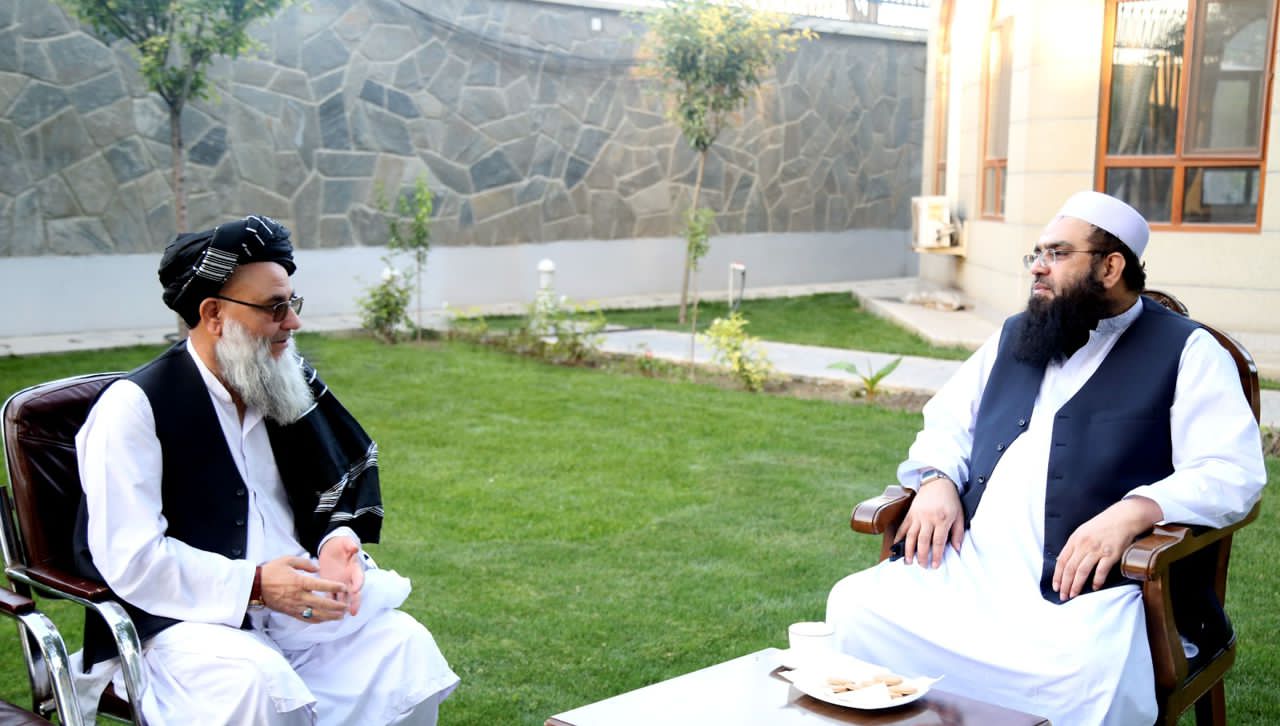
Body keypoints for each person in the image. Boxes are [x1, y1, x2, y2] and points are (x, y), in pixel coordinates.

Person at [825, 191, 1266, 725]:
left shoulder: (1189, 352)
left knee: (1086, 672)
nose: (1038, 266)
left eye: (1057, 253)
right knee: (857, 608)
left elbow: (1232, 471)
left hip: (1091, 590)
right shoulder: (1017, 333)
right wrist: (937, 479)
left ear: (1110, 267)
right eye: (1036, 253)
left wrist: (1134, 512)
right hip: (971, 567)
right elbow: (948, 421)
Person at [73, 215, 459, 724]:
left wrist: (335, 541)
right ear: (213, 314)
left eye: (293, 303)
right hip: (179, 623)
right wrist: (255, 586)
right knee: (261, 682)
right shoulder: (133, 409)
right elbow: (133, 559)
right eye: (275, 308)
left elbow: (329, 482)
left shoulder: (279, 379)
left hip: (293, 611)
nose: (292, 322)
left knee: (404, 647)